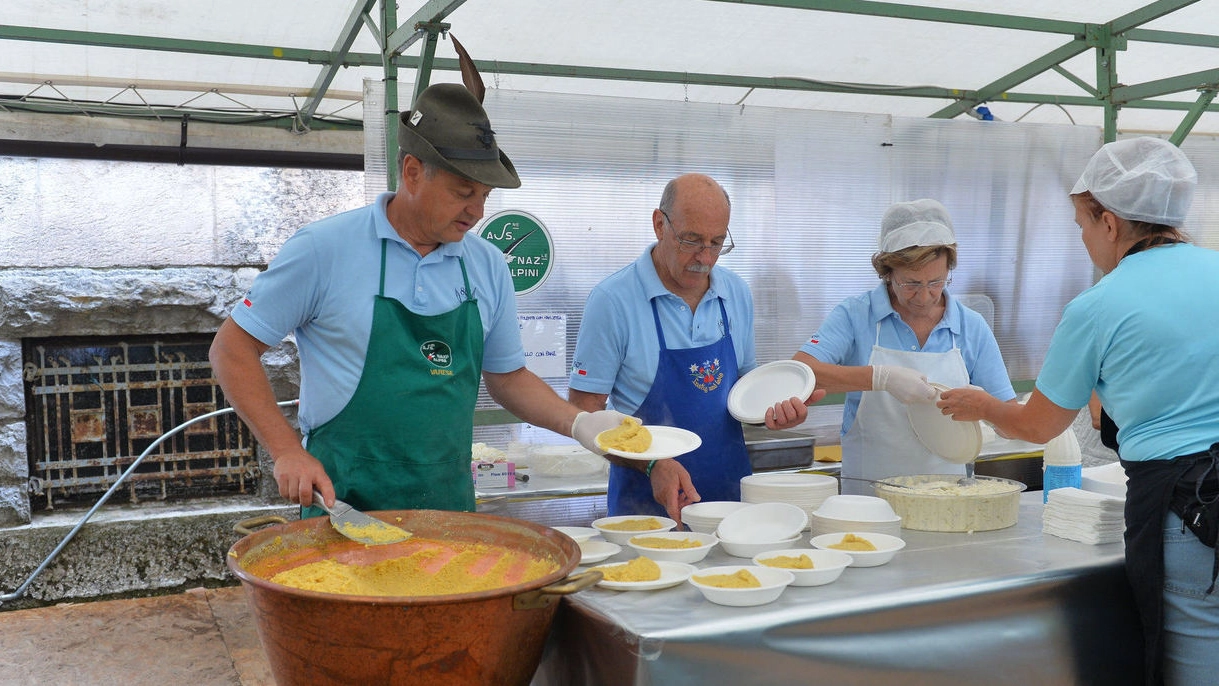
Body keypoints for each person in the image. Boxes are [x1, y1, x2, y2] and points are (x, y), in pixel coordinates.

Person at [209, 83, 621, 517]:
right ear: (411, 172)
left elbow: (508, 377)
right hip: (344, 509)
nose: (477, 211)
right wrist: (286, 450)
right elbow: (233, 349)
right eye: (464, 192)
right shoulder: (323, 249)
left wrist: (577, 423)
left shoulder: (487, 265)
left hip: (448, 512)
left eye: (485, 196)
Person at [937, 136, 1219, 686]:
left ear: (1110, 224)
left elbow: (1040, 424)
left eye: (1083, 226)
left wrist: (985, 405)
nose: (1085, 240)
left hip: (1188, 514)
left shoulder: (1098, 305)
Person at [568, 173, 820, 523]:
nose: (705, 257)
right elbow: (583, 409)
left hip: (730, 503)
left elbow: (744, 392)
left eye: (717, 242)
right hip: (643, 509)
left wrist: (773, 412)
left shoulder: (736, 293)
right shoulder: (613, 301)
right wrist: (651, 462)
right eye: (691, 240)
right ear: (659, 224)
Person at [791, 199, 1016, 495]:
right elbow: (802, 373)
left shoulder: (970, 327)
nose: (924, 297)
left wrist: (987, 407)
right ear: (887, 272)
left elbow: (1011, 424)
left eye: (936, 282)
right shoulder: (856, 315)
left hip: (945, 501)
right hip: (867, 502)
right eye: (910, 283)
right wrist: (879, 378)